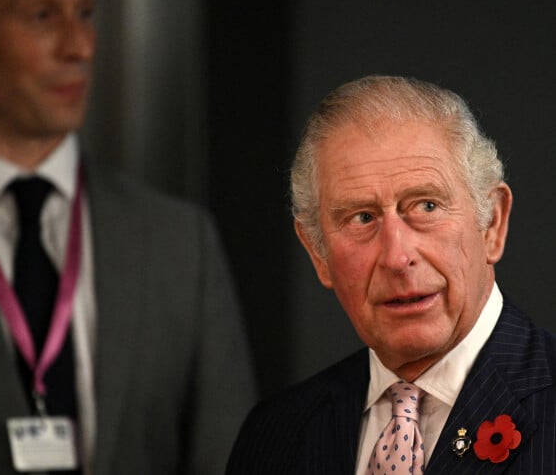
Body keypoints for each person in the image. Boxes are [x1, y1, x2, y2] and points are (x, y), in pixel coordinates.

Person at [0, 0, 256, 474]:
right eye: (43, 16)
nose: (80, 47)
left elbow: (231, 458)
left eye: (85, 13)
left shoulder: (179, 243)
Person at [226, 75, 556, 474]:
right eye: (361, 218)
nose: (397, 257)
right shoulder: (275, 435)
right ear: (317, 251)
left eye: (426, 206)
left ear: (492, 224)